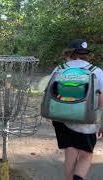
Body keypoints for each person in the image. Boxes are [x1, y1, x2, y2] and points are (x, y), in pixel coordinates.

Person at [51, 39, 103, 180]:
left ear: (69, 52)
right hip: (85, 120)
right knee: (86, 155)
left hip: (61, 118)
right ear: (87, 54)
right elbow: (101, 101)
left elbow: (50, 93)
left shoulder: (59, 69)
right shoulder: (96, 71)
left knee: (70, 150)